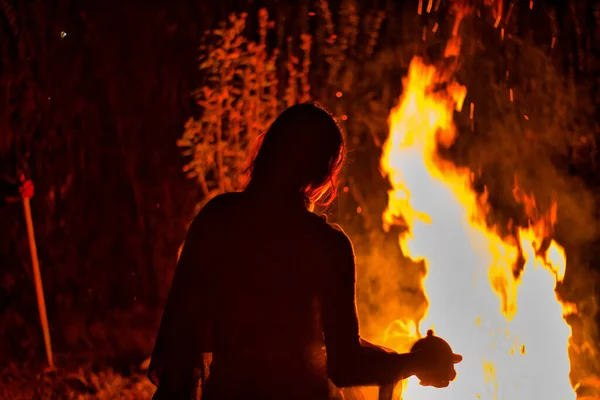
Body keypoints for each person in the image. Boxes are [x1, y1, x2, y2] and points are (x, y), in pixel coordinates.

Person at [148, 103, 461, 400]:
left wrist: (410, 360)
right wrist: (418, 363)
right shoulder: (325, 245)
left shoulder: (216, 219)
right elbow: (346, 365)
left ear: (268, 152)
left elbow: (182, 339)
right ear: (324, 172)